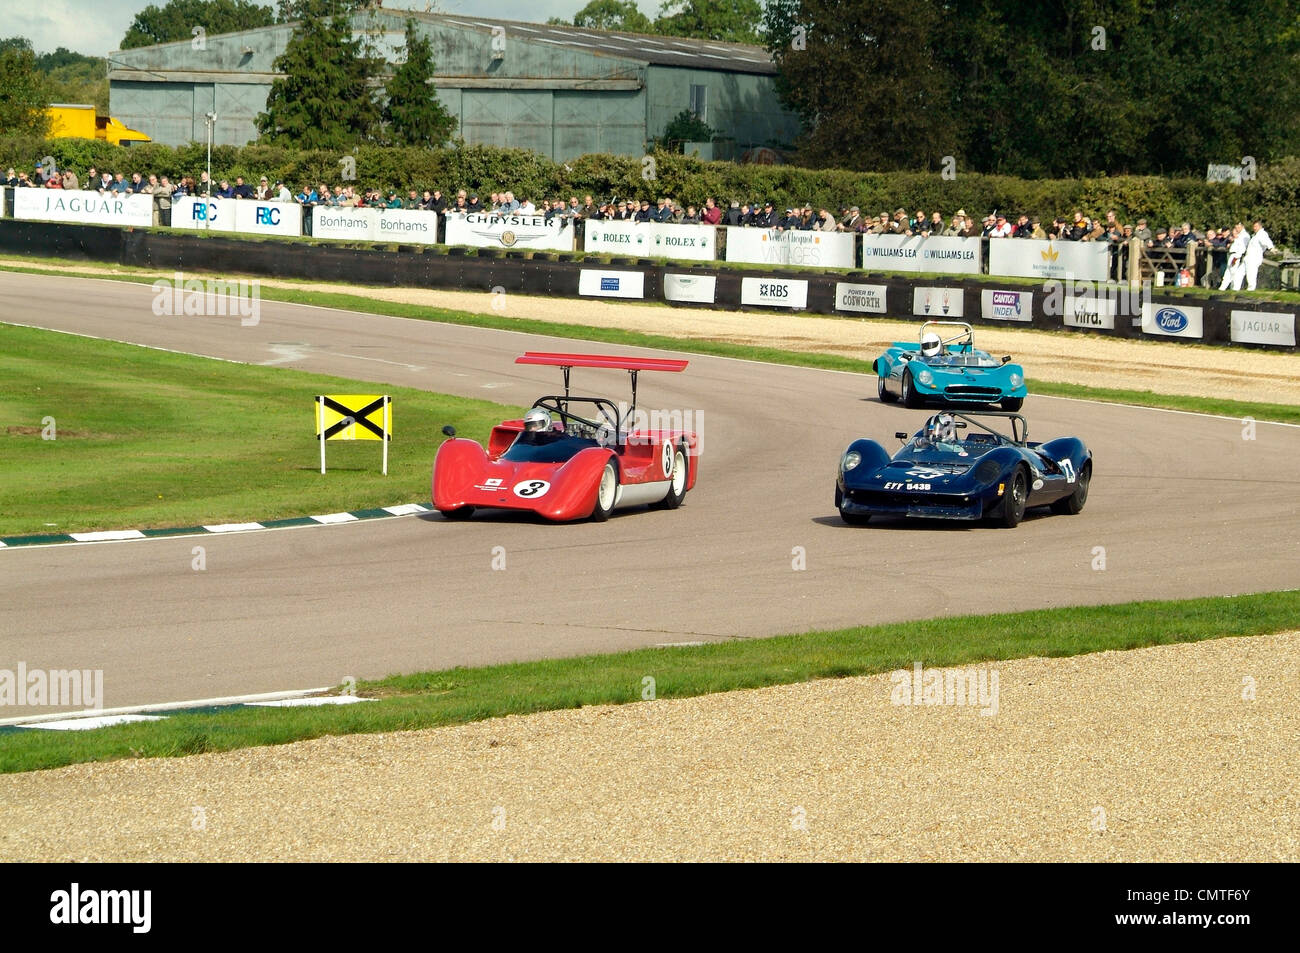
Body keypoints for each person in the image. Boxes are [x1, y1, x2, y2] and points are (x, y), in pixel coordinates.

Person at [1243, 220, 1274, 291]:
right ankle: (1236, 288)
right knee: (1240, 272)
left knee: (1251, 273)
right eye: (1254, 226)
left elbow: (1266, 241)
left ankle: (1251, 288)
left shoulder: (1262, 234)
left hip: (1254, 257)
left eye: (1256, 226)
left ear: (1260, 226)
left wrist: (1271, 248)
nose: (1254, 228)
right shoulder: (1255, 235)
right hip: (1248, 257)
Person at [1220, 223, 1248, 291]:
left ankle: (1234, 288)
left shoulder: (1245, 235)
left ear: (1242, 227)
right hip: (1232, 254)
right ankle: (1222, 288)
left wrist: (1236, 258)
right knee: (1228, 272)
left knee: (1233, 273)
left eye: (1238, 227)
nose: (1237, 229)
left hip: (1236, 255)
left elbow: (1242, 248)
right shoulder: (1238, 236)